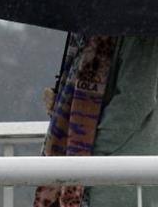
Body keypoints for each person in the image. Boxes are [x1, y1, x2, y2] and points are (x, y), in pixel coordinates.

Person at [37, 35, 158, 207]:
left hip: (120, 170)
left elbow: (135, 101)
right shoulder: (89, 35)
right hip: (100, 168)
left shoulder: (142, 33)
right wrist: (60, 103)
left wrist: (93, 150)